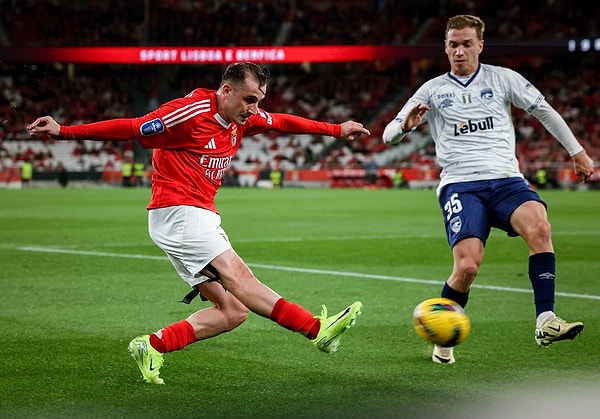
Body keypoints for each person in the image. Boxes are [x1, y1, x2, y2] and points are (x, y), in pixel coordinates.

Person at [28, 62, 368, 384]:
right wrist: (63, 132)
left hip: (190, 215)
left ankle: (153, 346)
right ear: (226, 90)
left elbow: (279, 121)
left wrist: (336, 130)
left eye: (258, 101)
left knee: (232, 311)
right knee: (241, 280)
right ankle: (315, 330)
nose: (253, 108)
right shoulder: (187, 113)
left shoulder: (242, 118)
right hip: (180, 212)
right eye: (249, 99)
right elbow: (132, 128)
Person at [383, 15, 595, 364]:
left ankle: (546, 320)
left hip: (506, 180)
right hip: (461, 185)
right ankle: (444, 335)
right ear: (445, 47)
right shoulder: (433, 90)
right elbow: (388, 134)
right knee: (467, 267)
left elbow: (544, 111)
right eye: (453, 44)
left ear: (480, 45)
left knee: (540, 226)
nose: (459, 51)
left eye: (467, 43)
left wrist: (577, 151)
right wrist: (405, 126)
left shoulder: (503, 79)